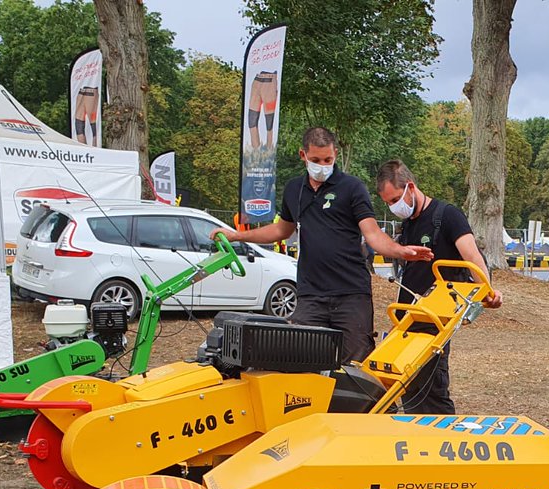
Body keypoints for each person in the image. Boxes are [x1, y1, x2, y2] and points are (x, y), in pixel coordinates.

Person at [211, 127, 432, 362]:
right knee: (301, 361)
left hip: (351, 294)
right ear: (302, 155)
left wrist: (400, 251)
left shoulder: (352, 187)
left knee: (356, 365)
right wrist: (236, 236)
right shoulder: (294, 189)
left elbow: (372, 233)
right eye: (316, 160)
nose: (322, 165)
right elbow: (281, 230)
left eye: (328, 159)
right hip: (310, 295)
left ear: (335, 153)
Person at [375, 159, 503, 414]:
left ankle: (442, 442)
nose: (393, 207)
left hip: (435, 320)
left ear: (411, 187)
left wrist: (488, 292)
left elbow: (472, 256)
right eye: (388, 203)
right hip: (407, 319)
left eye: (395, 199)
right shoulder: (410, 223)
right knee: (405, 387)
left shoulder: (447, 215)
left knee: (431, 393)